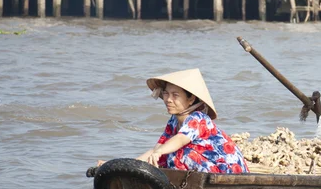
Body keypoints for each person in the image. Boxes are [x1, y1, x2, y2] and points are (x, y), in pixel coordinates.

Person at [99, 69, 248, 173]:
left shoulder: (198, 118)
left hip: (228, 170)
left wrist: (161, 153)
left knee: (174, 155)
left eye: (175, 95)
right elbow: (156, 149)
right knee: (162, 155)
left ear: (191, 99)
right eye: (166, 93)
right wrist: (121, 166)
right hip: (204, 168)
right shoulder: (173, 121)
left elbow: (180, 140)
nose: (168, 100)